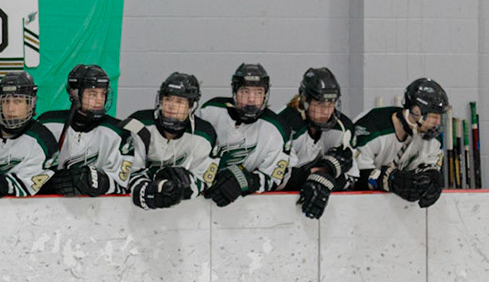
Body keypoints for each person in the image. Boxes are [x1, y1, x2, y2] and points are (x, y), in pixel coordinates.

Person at [120, 72, 217, 209]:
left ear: (191, 107)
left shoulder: (204, 134)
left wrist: (181, 188)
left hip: (184, 214)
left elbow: (204, 179)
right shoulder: (138, 123)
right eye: (168, 99)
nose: (171, 106)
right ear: (160, 100)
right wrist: (148, 189)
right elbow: (126, 173)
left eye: (179, 102)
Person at [198, 63, 289, 207]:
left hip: (250, 207)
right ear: (235, 92)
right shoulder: (210, 111)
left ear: (265, 95)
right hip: (201, 202)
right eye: (245, 91)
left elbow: (274, 177)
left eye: (258, 92)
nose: (252, 99)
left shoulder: (277, 129)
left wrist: (246, 181)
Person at [275, 67, 358, 220]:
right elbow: (279, 178)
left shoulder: (342, 127)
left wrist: (323, 179)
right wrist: (324, 172)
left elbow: (352, 177)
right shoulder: (285, 125)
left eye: (330, 104)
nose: (326, 112)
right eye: (320, 104)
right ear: (305, 101)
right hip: (277, 208)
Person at [355, 77, 448, 208]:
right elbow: (354, 176)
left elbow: (428, 170)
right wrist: (389, 180)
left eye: (439, 117)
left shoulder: (433, 139)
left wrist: (432, 179)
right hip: (358, 206)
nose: (437, 122)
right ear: (416, 111)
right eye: (433, 116)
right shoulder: (371, 127)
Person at [37, 64, 124, 197]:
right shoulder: (48, 124)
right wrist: (52, 183)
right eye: (92, 94)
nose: (99, 100)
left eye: (103, 93)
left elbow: (124, 181)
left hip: (100, 206)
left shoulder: (117, 131)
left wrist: (102, 182)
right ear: (75, 94)